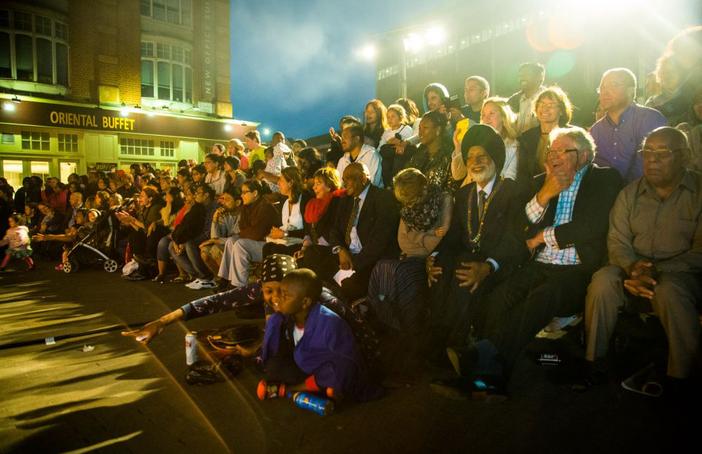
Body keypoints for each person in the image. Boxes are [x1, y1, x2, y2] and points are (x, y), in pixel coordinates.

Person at [446, 126, 624, 395]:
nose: (555, 157)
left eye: (564, 151)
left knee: (540, 298)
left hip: (575, 270)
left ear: (585, 155)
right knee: (499, 298)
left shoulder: (604, 179)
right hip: (538, 265)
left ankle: (480, 363)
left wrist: (541, 237)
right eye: (552, 151)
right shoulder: (541, 181)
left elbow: (592, 226)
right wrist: (545, 193)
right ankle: (490, 375)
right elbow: (518, 226)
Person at [584, 127, 701, 393]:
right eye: (647, 152)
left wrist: (656, 271)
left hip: (680, 272)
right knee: (602, 282)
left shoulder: (699, 193)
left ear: (685, 157)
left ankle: (681, 376)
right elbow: (617, 240)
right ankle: (594, 361)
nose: (652, 160)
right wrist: (632, 267)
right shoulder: (629, 194)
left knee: (670, 291)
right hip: (632, 269)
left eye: (662, 153)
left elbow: (700, 252)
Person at [426, 124, 528, 353]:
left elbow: (514, 240)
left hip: (499, 263)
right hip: (468, 257)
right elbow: (453, 237)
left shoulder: (513, 191)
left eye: (482, 156)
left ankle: (458, 347)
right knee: (441, 268)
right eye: (470, 157)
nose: (476, 162)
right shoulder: (463, 193)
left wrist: (488, 266)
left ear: (495, 158)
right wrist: (433, 258)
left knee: (465, 274)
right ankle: (437, 339)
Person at [260, 269, 382, 401]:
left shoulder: (329, 322)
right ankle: (316, 389)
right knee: (274, 368)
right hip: (309, 366)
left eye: (285, 295)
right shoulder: (288, 317)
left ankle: (297, 389)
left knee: (338, 375)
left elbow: (348, 362)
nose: (278, 298)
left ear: (305, 302)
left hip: (332, 369)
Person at [368, 168, 452, 332]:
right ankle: (384, 318)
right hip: (408, 255)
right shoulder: (408, 208)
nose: (409, 205)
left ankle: (409, 327)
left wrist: (419, 237)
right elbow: (403, 240)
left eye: (412, 200)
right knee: (381, 267)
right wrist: (426, 235)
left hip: (429, 257)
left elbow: (436, 241)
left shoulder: (443, 200)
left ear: (423, 189)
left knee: (400, 272)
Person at [304, 163, 399, 302]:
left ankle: (338, 303)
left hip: (367, 259)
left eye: (348, 178)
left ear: (363, 178)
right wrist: (341, 250)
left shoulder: (382, 197)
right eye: (343, 179)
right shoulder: (345, 199)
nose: (344, 183)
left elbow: (380, 240)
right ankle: (328, 292)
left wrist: (354, 263)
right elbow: (335, 230)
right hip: (346, 254)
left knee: (348, 286)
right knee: (311, 253)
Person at [591, 68, 667, 182]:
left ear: (631, 91)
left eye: (614, 85)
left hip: (646, 193)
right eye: (602, 87)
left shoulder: (650, 118)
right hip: (606, 193)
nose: (605, 91)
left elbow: (649, 165)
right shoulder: (596, 130)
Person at [218, 179, 281, 288]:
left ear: (255, 193)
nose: (241, 196)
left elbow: (257, 233)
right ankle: (225, 280)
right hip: (254, 241)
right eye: (241, 192)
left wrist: (244, 233)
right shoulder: (246, 207)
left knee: (240, 244)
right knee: (230, 241)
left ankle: (238, 286)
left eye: (244, 192)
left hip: (268, 245)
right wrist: (245, 233)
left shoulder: (266, 207)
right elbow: (243, 228)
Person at [516, 86, 574, 186]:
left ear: (561, 110)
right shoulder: (526, 137)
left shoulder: (573, 134)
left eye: (551, 105)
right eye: (541, 104)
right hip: (533, 191)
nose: (545, 109)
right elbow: (522, 173)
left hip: (565, 188)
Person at [262, 167, 311, 257]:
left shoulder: (304, 199)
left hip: (300, 243)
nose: (278, 183)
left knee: (275, 250)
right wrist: (276, 231)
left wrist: (285, 233)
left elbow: (308, 230)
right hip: (286, 241)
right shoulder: (285, 202)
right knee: (267, 247)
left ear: (291, 183)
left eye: (281, 180)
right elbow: (283, 226)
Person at [407, 111, 454, 191]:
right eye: (419, 128)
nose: (420, 132)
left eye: (425, 128)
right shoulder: (419, 153)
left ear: (438, 130)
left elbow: (450, 189)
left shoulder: (449, 155)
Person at [199, 188, 240, 280]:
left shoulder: (243, 215)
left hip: (238, 244)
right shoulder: (225, 215)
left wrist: (214, 240)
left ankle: (228, 280)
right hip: (226, 242)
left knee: (215, 249)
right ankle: (219, 279)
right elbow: (215, 236)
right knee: (204, 251)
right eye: (223, 199)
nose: (223, 202)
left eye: (227, 200)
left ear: (237, 203)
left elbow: (239, 237)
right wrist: (215, 219)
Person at [479, 97, 519, 181]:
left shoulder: (513, 147)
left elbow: (510, 179)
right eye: (483, 115)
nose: (486, 119)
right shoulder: (478, 145)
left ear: (503, 116)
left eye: (491, 113)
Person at [378, 103, 416, 188]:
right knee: (385, 161)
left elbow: (409, 144)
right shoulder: (386, 132)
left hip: (400, 155)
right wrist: (389, 143)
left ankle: (394, 183)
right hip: (388, 155)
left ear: (400, 117)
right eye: (388, 117)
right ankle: (387, 184)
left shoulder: (406, 129)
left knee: (397, 160)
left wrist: (399, 141)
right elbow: (380, 147)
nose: (390, 119)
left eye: (393, 116)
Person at [336, 124, 383, 188]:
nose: (342, 141)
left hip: (372, 197)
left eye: (345, 137)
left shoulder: (371, 155)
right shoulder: (342, 160)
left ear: (356, 139)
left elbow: (372, 183)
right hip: (348, 197)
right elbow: (339, 185)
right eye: (342, 138)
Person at [507, 62, 546, 134]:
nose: (522, 78)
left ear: (540, 77)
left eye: (527, 74)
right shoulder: (513, 100)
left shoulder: (550, 99)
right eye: (520, 75)